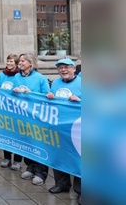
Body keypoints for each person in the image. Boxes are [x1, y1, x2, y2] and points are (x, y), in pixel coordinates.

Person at [46, 58, 81, 201]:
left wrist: (80, 101)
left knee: (79, 158)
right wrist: (48, 97)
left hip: (78, 129)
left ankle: (81, 191)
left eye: (66, 67)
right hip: (59, 127)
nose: (63, 70)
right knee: (59, 154)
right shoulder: (55, 83)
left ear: (74, 69)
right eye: (60, 68)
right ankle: (61, 183)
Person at [12, 53, 51, 185]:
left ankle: (41, 172)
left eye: (23, 61)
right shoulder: (17, 76)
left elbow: (47, 95)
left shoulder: (40, 78)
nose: (20, 63)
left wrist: (32, 94)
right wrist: (14, 90)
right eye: (20, 61)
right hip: (23, 116)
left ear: (31, 63)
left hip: (37, 116)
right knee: (27, 141)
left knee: (38, 143)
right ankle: (30, 167)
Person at [0, 54, 23, 170]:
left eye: (11, 61)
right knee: (6, 134)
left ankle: (17, 160)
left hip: (16, 110)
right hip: (4, 109)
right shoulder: (2, 75)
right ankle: (6, 157)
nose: (9, 63)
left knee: (17, 135)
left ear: (16, 63)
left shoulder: (19, 76)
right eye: (8, 61)